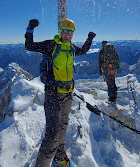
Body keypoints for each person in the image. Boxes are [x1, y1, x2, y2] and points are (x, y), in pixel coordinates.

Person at [25, 18, 96, 167]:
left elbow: (82, 51)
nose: (68, 34)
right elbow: (29, 46)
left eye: (71, 32)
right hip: (53, 95)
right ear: (61, 31)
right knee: (52, 136)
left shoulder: (70, 47)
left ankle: (59, 157)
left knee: (62, 126)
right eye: (65, 31)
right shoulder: (52, 45)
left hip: (68, 94)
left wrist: (89, 39)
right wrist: (30, 29)